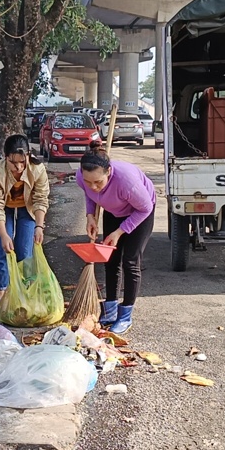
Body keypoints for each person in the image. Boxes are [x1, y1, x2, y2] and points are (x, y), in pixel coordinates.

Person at [77, 142, 155, 334]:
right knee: (110, 258)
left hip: (139, 213)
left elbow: (145, 208)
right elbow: (90, 195)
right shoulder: (82, 177)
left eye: (98, 182)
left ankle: (125, 315)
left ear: (109, 172)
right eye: (89, 182)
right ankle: (110, 309)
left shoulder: (126, 182)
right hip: (114, 211)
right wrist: (90, 216)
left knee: (130, 261)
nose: (93, 187)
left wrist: (120, 231)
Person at [0, 134, 50, 309]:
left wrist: (39, 226)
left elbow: (40, 199)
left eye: (23, 161)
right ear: (5, 157)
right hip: (3, 208)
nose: (19, 167)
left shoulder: (38, 170)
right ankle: (0, 293)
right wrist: (4, 234)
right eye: (14, 163)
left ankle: (25, 292)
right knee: (3, 249)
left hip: (27, 208)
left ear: (29, 156)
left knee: (24, 251)